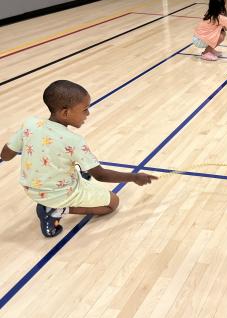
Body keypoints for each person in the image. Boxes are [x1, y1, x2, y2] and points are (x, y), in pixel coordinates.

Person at [0, 80, 157, 237]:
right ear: (65, 113)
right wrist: (134, 177)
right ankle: (56, 210)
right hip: (59, 193)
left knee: (69, 163)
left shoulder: (30, 124)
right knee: (113, 203)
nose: (88, 114)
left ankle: (57, 199)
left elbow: (5, 155)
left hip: (31, 189)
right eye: (85, 109)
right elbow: (100, 175)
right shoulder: (73, 141)